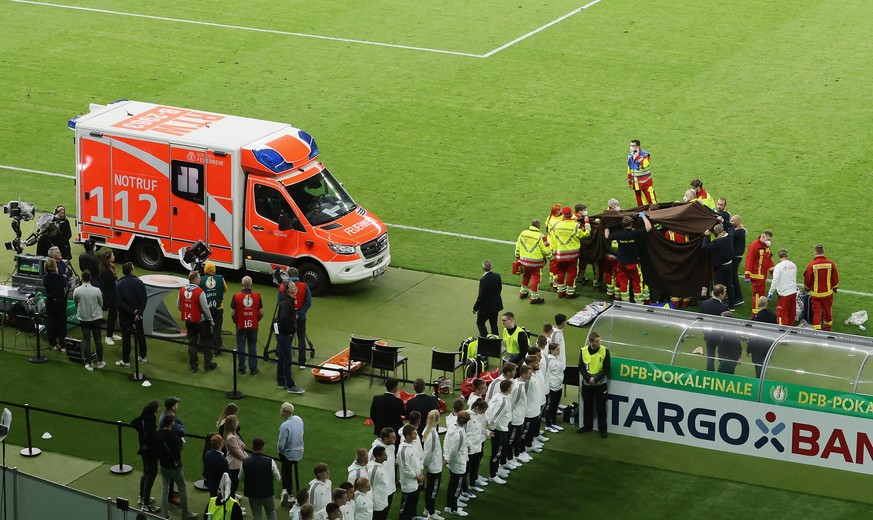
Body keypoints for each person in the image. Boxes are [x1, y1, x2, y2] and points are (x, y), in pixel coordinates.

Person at [154, 413, 198, 519]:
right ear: (172, 423)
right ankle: (185, 513)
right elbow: (177, 454)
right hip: (174, 467)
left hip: (163, 465)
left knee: (165, 488)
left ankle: (166, 514)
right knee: (182, 488)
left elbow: (155, 450)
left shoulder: (157, 434)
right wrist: (179, 464)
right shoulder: (173, 437)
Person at [604, 214, 652, 303]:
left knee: (623, 283)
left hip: (621, 263)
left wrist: (606, 225)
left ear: (622, 225)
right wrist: (643, 216)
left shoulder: (619, 234)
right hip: (633, 263)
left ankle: (625, 302)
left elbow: (607, 236)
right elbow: (649, 227)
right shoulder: (635, 233)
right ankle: (638, 303)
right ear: (632, 224)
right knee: (637, 283)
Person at [178, 270, 217, 373]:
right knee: (207, 342)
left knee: (192, 343)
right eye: (199, 277)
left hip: (189, 320)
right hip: (201, 322)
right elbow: (205, 308)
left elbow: (179, 306)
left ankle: (194, 365)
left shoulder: (182, 290)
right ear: (195, 279)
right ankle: (208, 364)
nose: (200, 279)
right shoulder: (200, 292)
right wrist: (211, 321)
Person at [551, 206, 591, 298]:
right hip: (572, 255)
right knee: (571, 273)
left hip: (560, 254)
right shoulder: (576, 225)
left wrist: (554, 252)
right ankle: (570, 293)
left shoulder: (557, 225)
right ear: (571, 214)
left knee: (560, 272)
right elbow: (586, 233)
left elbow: (553, 239)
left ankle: (560, 291)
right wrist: (587, 222)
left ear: (563, 215)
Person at [578, 332, 611, 438]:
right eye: (596, 341)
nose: (599, 343)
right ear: (590, 341)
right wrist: (588, 378)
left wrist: (595, 378)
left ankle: (603, 429)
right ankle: (587, 426)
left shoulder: (605, 350)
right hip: (587, 384)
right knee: (587, 406)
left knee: (601, 407)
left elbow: (606, 368)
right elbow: (581, 366)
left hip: (600, 384)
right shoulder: (583, 351)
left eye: (599, 341)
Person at [240, 437, 282, 520]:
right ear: (263, 448)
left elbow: (240, 478)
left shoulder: (245, 462)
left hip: (252, 494)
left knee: (256, 515)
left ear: (252, 447)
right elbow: (277, 478)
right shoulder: (270, 461)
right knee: (271, 514)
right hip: (267, 493)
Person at [116, 262, 148, 366]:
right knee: (140, 335)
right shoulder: (139, 282)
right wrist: (139, 312)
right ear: (131, 270)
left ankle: (126, 361)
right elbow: (144, 298)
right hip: (138, 316)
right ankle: (143, 356)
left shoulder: (120, 284)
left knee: (126, 338)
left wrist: (131, 311)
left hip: (125, 316)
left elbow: (120, 302)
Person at [131, 400, 159, 513]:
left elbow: (133, 423)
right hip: (151, 453)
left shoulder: (141, 419)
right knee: (150, 476)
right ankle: (146, 504)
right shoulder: (151, 422)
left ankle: (142, 497)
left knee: (145, 473)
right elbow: (152, 438)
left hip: (143, 451)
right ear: (154, 409)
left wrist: (140, 433)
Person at [276, 281, 305, 394]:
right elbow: (283, 319)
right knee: (287, 360)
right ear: (288, 290)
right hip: (285, 335)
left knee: (282, 358)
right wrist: (289, 331)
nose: (295, 288)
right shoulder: (287, 303)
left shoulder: (286, 301)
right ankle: (290, 385)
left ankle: (281, 381)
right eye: (293, 287)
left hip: (282, 335)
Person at [514, 219, 552, 304]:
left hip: (524, 261)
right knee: (535, 278)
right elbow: (546, 250)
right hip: (536, 263)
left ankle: (522, 292)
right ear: (538, 226)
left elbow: (518, 246)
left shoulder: (523, 233)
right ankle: (534, 297)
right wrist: (552, 259)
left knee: (526, 276)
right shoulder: (541, 237)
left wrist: (517, 257)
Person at [232, 276, 264, 375]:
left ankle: (242, 368)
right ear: (251, 284)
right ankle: (253, 368)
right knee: (252, 346)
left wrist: (236, 321)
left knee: (241, 346)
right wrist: (256, 319)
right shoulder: (257, 296)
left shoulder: (236, 296)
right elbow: (261, 313)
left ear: (242, 284)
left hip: (240, 325)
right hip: (253, 325)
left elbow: (233, 313)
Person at [804, 244, 839, 331]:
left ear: (815, 252)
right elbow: (835, 278)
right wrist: (834, 287)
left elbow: (808, 279)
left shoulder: (811, 265)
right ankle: (828, 329)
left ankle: (817, 330)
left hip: (816, 294)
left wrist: (807, 289)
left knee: (817, 312)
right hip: (827, 293)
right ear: (823, 252)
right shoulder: (831, 264)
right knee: (827, 311)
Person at [73, 269, 104, 370]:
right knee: (98, 340)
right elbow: (101, 304)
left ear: (82, 278)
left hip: (84, 318)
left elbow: (75, 302)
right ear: (90, 278)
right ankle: (100, 362)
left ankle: (89, 363)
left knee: (86, 341)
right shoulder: (97, 290)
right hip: (96, 318)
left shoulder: (77, 290)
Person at [703, 223, 738, 309]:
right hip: (729, 264)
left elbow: (704, 247)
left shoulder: (717, 242)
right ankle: (732, 305)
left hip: (719, 267)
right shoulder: (729, 236)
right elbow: (732, 227)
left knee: (718, 286)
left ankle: (717, 305)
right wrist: (723, 221)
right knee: (729, 285)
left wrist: (706, 236)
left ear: (716, 233)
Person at [700, 284, 733, 371]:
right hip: (720, 336)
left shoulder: (704, 304)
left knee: (710, 358)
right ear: (721, 294)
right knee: (723, 357)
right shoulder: (724, 308)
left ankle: (710, 375)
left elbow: (701, 319)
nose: (725, 295)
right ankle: (720, 376)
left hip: (708, 334)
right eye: (724, 293)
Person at [444, 411, 470, 518]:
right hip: (458, 464)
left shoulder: (451, 427)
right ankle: (454, 508)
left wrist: (446, 456)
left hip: (453, 462)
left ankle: (449, 505)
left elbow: (446, 441)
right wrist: (449, 459)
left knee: (452, 484)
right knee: (457, 487)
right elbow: (455, 450)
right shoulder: (460, 434)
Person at [486, 379, 512, 484]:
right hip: (499, 430)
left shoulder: (499, 396)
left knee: (499, 452)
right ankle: (492, 475)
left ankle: (497, 470)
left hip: (502, 428)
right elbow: (494, 416)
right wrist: (491, 428)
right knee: (496, 453)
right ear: (508, 388)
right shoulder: (503, 401)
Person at [278, 402, 305, 505]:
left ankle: (288, 492)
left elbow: (281, 445)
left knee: (285, 469)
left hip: (289, 454)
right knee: (285, 468)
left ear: (284, 412)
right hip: (300, 451)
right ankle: (285, 490)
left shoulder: (284, 426)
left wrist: (281, 452)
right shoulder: (299, 419)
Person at [200, 261, 228, 357]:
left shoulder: (201, 279)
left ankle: (204, 348)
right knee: (217, 328)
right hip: (219, 307)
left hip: (206, 308)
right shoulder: (220, 278)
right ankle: (217, 350)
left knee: (206, 327)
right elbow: (225, 289)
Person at [396, 424, 425, 520]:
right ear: (408, 436)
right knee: (405, 509)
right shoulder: (402, 450)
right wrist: (418, 477)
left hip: (416, 481)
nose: (416, 434)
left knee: (413, 504)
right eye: (414, 433)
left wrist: (421, 472)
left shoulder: (414, 444)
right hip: (408, 484)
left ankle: (413, 516)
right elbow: (405, 469)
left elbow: (420, 458)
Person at [744, 230, 775, 317]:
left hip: (762, 276)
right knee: (757, 297)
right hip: (756, 276)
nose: (769, 241)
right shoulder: (754, 246)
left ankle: (761, 314)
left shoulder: (766, 246)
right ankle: (755, 316)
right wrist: (747, 274)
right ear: (763, 236)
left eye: (770, 239)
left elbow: (769, 260)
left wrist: (774, 272)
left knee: (762, 296)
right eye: (768, 239)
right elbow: (749, 260)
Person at [287, 267, 313, 366]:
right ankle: (302, 361)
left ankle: (286, 359)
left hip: (288, 317)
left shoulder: (284, 286)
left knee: (287, 337)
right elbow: (308, 302)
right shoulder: (304, 286)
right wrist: (300, 313)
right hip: (301, 317)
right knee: (301, 337)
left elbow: (280, 302)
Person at [42, 258, 68, 352]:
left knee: (51, 322)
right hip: (59, 302)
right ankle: (63, 345)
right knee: (62, 323)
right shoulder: (61, 278)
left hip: (49, 302)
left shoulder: (45, 277)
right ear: (54, 267)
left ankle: (53, 343)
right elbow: (66, 289)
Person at [421, 410, 443, 520]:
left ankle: (427, 508)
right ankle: (431, 513)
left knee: (429, 489)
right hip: (434, 467)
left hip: (432, 465)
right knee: (433, 490)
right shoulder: (433, 435)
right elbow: (429, 453)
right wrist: (423, 465)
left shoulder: (427, 430)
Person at [748, 296, 777, 379]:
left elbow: (753, 336)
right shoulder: (773, 315)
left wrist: (749, 349)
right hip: (768, 345)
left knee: (758, 368)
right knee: (764, 365)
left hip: (758, 347)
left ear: (758, 304)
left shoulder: (756, 318)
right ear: (767, 304)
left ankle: (759, 383)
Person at [472, 260, 503, 337]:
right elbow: (499, 289)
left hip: (485, 308)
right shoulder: (497, 276)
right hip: (495, 305)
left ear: (483, 268)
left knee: (480, 323)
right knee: (494, 325)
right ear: (491, 267)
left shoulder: (483, 280)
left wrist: (475, 308)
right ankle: (496, 341)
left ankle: (485, 339)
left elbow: (481, 296)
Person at [768, 249, 799, 326]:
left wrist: (770, 292)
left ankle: (782, 333)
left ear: (779, 257)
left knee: (782, 315)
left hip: (784, 294)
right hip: (793, 292)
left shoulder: (778, 266)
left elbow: (775, 280)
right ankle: (791, 330)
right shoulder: (793, 265)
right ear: (786, 256)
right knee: (791, 314)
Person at [98, 249, 121, 346]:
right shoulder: (106, 271)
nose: (114, 256)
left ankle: (111, 334)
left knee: (114, 315)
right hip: (110, 296)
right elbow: (111, 285)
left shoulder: (107, 267)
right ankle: (108, 336)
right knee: (112, 316)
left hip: (112, 294)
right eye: (112, 255)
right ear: (108, 258)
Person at [465, 398, 489, 492]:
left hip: (477, 446)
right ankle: (464, 489)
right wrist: (468, 445)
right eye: (482, 410)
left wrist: (487, 432)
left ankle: (472, 484)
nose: (483, 413)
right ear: (477, 407)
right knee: (467, 469)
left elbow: (481, 428)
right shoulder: (467, 416)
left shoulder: (479, 415)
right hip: (470, 448)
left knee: (475, 466)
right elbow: (464, 432)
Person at [223, 415, 247, 502]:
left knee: (233, 486)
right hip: (234, 465)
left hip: (235, 464)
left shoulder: (233, 435)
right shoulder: (231, 438)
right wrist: (247, 460)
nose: (238, 423)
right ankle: (233, 507)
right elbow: (238, 453)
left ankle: (233, 503)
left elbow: (241, 445)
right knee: (233, 487)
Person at [627, 139, 657, 205]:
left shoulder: (645, 155)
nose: (631, 147)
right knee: (640, 203)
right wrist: (630, 182)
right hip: (636, 184)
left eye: (632, 146)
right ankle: (643, 214)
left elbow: (645, 164)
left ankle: (656, 213)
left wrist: (637, 157)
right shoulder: (630, 156)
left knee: (652, 201)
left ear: (637, 147)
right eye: (630, 145)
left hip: (646, 184)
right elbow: (629, 169)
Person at [544, 342, 565, 434]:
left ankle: (554, 423)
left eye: (559, 349)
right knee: (550, 407)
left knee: (555, 406)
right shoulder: (548, 360)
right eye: (557, 350)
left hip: (559, 386)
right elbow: (547, 374)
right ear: (551, 350)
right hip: (552, 387)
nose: (559, 351)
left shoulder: (558, 358)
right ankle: (548, 425)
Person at [367, 445, 391, 520]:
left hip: (383, 499)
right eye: (384, 454)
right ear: (378, 457)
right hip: (377, 502)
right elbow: (370, 486)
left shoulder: (382, 465)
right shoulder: (374, 470)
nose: (386, 455)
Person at [730, 215, 747, 306]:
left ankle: (739, 297)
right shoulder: (740, 231)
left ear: (738, 222)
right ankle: (734, 295)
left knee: (733, 276)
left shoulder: (739, 232)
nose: (731, 222)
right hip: (736, 255)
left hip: (736, 256)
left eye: (733, 221)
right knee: (732, 276)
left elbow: (730, 235)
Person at [545, 204, 563, 289]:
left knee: (552, 263)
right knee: (556, 264)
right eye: (560, 210)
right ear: (556, 212)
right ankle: (555, 282)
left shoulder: (549, 218)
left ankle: (552, 279)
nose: (561, 211)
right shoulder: (556, 222)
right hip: (555, 245)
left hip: (550, 243)